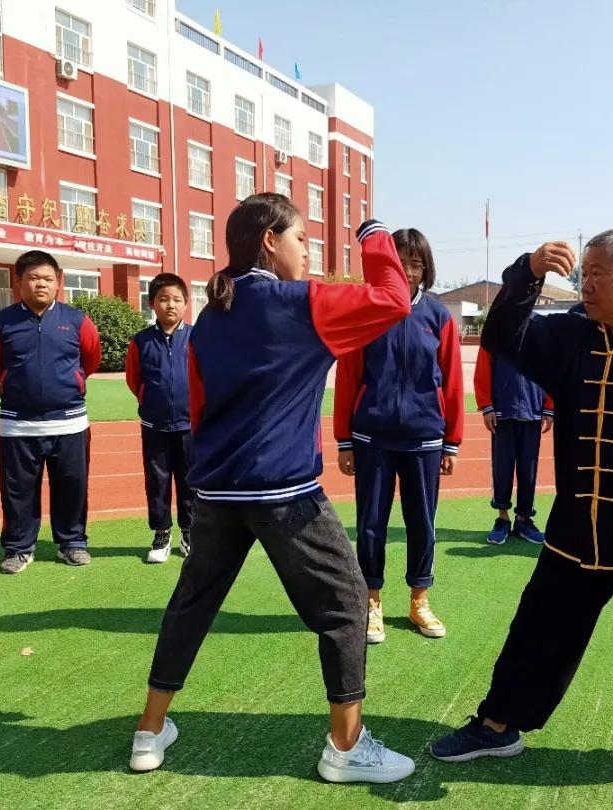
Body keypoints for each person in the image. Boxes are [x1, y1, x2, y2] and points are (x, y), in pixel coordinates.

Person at [429, 228, 613, 786]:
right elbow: (501, 335)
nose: (585, 284)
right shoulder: (570, 339)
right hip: (579, 529)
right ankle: (498, 727)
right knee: (538, 628)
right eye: (582, 272)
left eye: (597, 274)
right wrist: (526, 272)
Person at [129, 194, 416, 784]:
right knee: (345, 604)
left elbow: (200, 402)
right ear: (269, 241)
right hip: (285, 491)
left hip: (216, 491)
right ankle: (346, 745)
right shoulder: (299, 303)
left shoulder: (212, 315)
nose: (306, 250)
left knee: (191, 605)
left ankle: (150, 731)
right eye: (302, 238)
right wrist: (374, 233)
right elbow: (394, 298)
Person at [333, 228, 463, 643]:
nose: (406, 270)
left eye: (415, 262)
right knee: (371, 523)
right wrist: (344, 440)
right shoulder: (367, 311)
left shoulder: (438, 316)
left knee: (421, 522)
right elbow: (350, 376)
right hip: (372, 436)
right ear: (384, 265)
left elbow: (454, 382)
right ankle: (371, 600)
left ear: (425, 268)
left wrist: (451, 441)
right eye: (399, 261)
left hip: (425, 438)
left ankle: (419, 599)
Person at [0, 250, 102, 574]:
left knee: (72, 487)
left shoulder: (77, 321)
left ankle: (72, 543)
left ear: (58, 282)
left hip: (70, 424)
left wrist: (70, 382)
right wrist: (15, 382)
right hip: (18, 426)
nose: (41, 284)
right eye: (33, 278)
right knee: (17, 492)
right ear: (18, 281)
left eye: (48, 278)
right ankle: (19, 548)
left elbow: (90, 359)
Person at [125, 272, 194, 564]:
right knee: (157, 481)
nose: (170, 305)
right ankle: (161, 533)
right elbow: (133, 379)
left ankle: (191, 532)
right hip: (155, 425)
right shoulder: (141, 342)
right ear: (153, 303)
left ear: (186, 304)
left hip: (191, 426)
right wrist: (148, 399)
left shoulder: (197, 338)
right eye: (164, 299)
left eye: (177, 299)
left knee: (191, 482)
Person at [474, 343, 553, 545]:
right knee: (502, 468)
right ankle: (502, 518)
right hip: (502, 412)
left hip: (532, 411)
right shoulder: (496, 331)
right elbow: (483, 368)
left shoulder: (540, 330)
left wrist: (549, 407)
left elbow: (551, 370)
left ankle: (524, 519)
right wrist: (486, 405)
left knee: (529, 469)